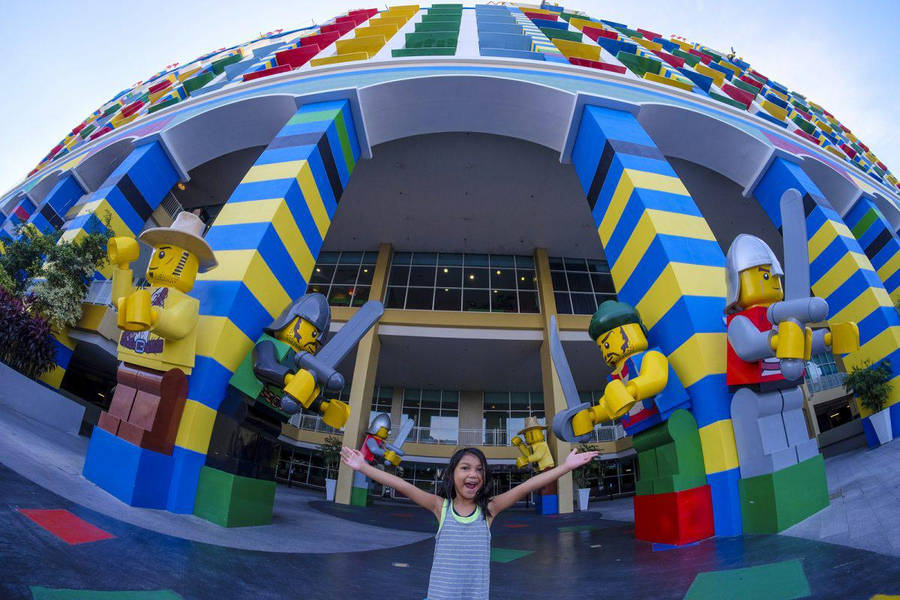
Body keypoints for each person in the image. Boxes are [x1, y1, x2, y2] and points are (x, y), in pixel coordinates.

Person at [340, 444, 597, 600]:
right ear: (452, 474)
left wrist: (566, 466)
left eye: (479, 469)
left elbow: (527, 486)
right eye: (465, 468)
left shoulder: (489, 511)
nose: (473, 474)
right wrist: (363, 467)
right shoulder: (441, 507)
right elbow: (402, 485)